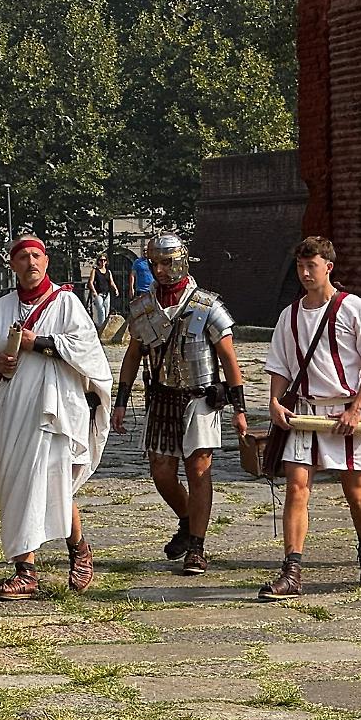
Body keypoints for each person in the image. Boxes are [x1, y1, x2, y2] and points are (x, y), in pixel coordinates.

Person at [0, 235, 112, 601]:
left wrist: (35, 342)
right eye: (22, 258)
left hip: (55, 408)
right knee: (15, 486)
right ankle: (26, 572)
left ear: (46, 261)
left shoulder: (67, 303)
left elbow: (86, 349)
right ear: (13, 265)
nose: (30, 263)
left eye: (36, 256)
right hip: (12, 408)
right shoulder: (2, 306)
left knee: (55, 483)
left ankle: (79, 551)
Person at [259, 236, 361, 600]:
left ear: (328, 267)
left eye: (311, 266)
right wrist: (273, 401)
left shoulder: (353, 308)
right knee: (297, 486)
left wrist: (357, 407)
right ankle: (292, 570)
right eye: (300, 266)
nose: (304, 273)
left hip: (346, 412)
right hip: (304, 412)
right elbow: (280, 366)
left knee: (356, 491)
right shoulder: (290, 315)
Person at [112, 232, 248, 576]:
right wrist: (121, 401)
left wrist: (239, 408)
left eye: (167, 262)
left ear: (182, 260)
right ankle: (188, 522)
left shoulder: (207, 305)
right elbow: (133, 355)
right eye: (154, 262)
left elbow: (229, 360)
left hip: (199, 396)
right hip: (161, 396)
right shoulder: (144, 307)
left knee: (199, 469)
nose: (160, 269)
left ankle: (198, 548)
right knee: (161, 470)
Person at [86, 254, 118, 330]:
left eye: (104, 260)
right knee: (101, 310)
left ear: (106, 261)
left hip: (107, 293)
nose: (103, 262)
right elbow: (91, 282)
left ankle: (104, 329)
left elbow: (111, 282)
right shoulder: (95, 271)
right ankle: (101, 328)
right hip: (98, 293)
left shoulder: (108, 272)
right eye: (101, 260)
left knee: (106, 311)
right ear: (98, 261)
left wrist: (116, 289)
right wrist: (94, 292)